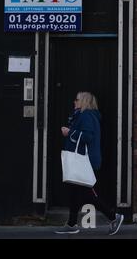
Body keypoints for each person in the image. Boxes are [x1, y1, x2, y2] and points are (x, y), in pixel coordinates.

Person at [55, 92, 124, 235]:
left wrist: (70, 132)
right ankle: (72, 224)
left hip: (85, 162)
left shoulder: (86, 116)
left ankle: (114, 217)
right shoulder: (84, 115)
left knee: (87, 194)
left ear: (84, 101)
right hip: (83, 160)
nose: (74, 101)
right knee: (74, 192)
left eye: (77, 99)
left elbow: (87, 136)